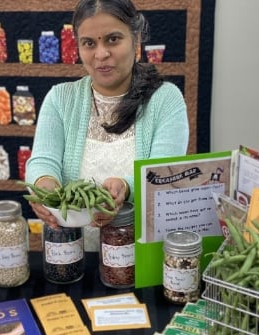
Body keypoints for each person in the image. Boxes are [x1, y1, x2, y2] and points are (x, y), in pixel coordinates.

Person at [26, 0, 189, 241]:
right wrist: (43, 185)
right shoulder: (60, 99)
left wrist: (125, 186)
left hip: (141, 250)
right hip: (73, 248)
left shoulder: (165, 99)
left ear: (136, 40)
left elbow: (163, 175)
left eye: (113, 39)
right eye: (89, 43)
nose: (101, 54)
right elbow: (42, 161)